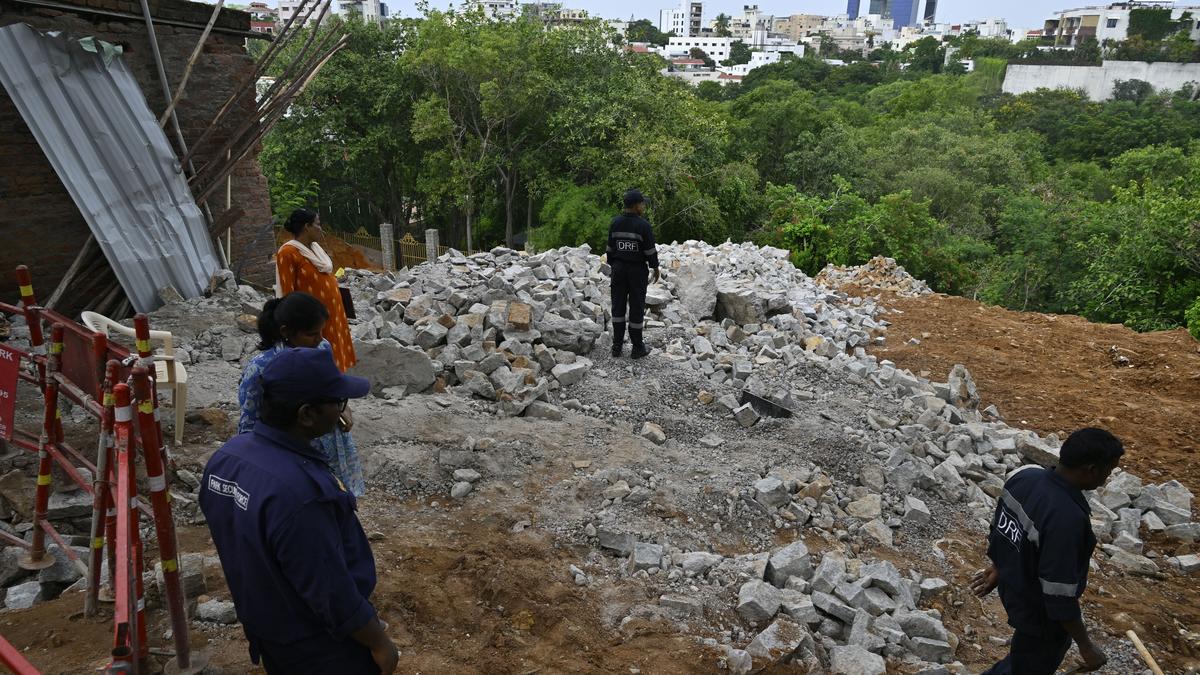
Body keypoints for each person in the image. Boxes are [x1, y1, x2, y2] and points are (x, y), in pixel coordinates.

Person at [200, 347, 398, 675]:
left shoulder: (227, 458)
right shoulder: (301, 493)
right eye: (338, 403)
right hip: (318, 645)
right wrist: (379, 642)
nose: (342, 412)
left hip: (268, 628)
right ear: (306, 414)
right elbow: (331, 590)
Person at [971, 427, 1125, 675]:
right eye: (1108, 470)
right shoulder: (1067, 518)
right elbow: (1059, 595)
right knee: (1030, 664)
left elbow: (1002, 526)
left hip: (1014, 589)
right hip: (1040, 614)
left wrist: (999, 565)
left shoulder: (1026, 478)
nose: (1107, 477)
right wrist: (1086, 647)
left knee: (1023, 659)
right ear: (1091, 470)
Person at [239, 292, 364, 496]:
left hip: (329, 441)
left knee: (337, 494)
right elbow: (249, 424)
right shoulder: (260, 368)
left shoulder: (322, 349)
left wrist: (344, 409)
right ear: (286, 331)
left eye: (321, 332)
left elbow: (334, 386)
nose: (320, 339)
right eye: (312, 334)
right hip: (288, 451)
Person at [276, 207, 356, 372]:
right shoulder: (288, 252)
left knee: (335, 353)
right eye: (318, 224)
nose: (321, 229)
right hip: (312, 319)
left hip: (333, 315)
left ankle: (337, 382)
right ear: (307, 227)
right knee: (318, 355)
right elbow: (287, 292)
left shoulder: (316, 249)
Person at [606, 189, 660, 359]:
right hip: (637, 271)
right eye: (642, 203)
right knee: (636, 307)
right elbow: (650, 251)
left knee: (618, 306)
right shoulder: (643, 226)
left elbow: (609, 250)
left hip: (619, 270)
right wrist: (655, 267)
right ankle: (637, 348)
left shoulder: (615, 223)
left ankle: (617, 346)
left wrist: (616, 265)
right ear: (636, 205)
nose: (644, 206)